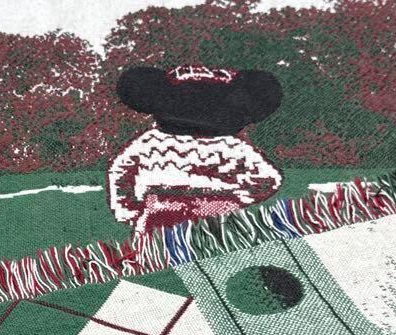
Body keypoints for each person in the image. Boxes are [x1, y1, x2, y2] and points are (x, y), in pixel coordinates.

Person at [107, 64, 284, 235]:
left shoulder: (149, 142)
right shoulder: (234, 147)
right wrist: (236, 198)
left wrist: (131, 211)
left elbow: (120, 173)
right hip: (219, 219)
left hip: (162, 217)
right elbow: (268, 179)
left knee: (160, 252)